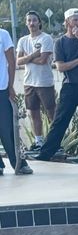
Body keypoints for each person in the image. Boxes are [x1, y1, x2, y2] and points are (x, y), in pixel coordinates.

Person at [34, 8, 78, 162]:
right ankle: (46, 153)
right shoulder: (60, 42)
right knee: (59, 122)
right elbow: (60, 67)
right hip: (70, 87)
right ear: (67, 22)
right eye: (75, 20)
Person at [16, 10, 56, 151]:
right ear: (26, 23)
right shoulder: (23, 40)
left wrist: (27, 58)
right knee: (33, 112)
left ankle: (56, 142)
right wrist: (33, 55)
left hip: (44, 82)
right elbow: (18, 61)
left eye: (34, 20)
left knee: (51, 112)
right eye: (29, 21)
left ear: (39, 22)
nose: (32, 23)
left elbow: (43, 60)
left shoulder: (46, 39)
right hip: (29, 82)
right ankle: (38, 141)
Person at [0, 27, 33, 175]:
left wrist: (10, 85)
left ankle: (19, 163)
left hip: (2, 88)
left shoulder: (3, 34)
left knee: (7, 129)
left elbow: (12, 62)